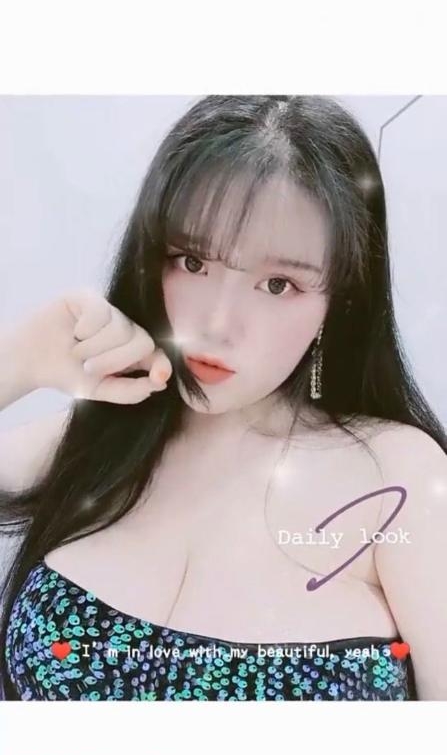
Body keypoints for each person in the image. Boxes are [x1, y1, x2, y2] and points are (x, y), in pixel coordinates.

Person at [0, 94, 446, 701]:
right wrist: (18, 362)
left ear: (340, 299)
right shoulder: (96, 443)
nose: (217, 323)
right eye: (192, 261)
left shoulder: (394, 478)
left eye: (277, 284)